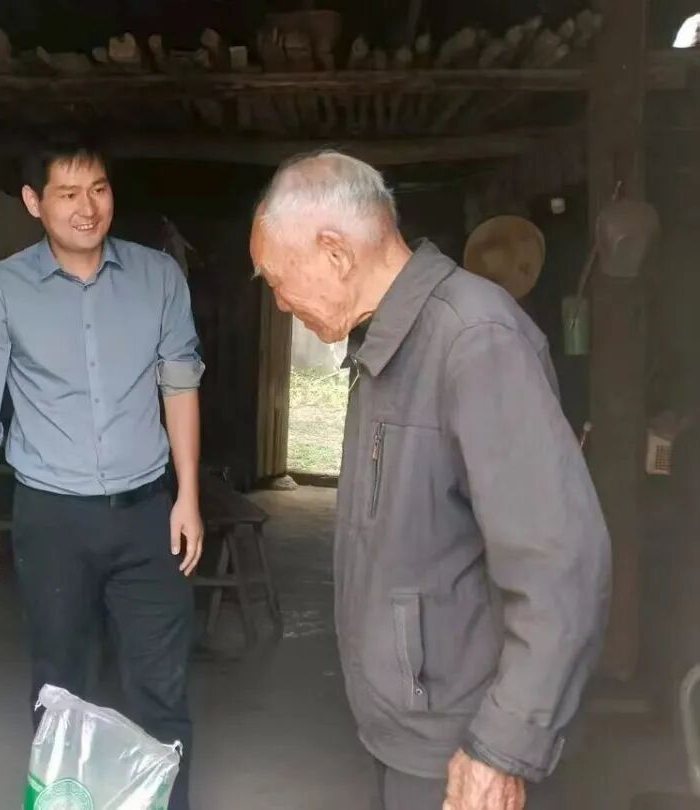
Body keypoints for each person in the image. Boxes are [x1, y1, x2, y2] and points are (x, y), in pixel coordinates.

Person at [249, 151, 611, 810]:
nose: (279, 300)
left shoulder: (474, 339)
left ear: (334, 254)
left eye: (277, 278)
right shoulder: (388, 341)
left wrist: (502, 747)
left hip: (461, 741)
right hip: (410, 731)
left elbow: (560, 564)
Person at [0, 137, 204, 809]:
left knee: (161, 686)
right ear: (34, 202)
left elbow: (180, 386)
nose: (88, 208)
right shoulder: (1, 288)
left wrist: (188, 497)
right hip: (51, 517)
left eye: (99, 190)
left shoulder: (157, 277)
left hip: (148, 513)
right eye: (68, 193)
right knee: (61, 685)